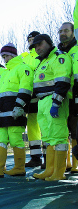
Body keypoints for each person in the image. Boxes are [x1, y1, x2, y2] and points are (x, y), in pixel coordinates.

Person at [0, 43, 33, 179]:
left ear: (14, 54)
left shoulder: (23, 68)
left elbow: (26, 89)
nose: (5, 58)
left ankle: (19, 168)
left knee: (16, 140)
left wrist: (19, 106)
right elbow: (1, 95)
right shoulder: (5, 73)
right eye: (3, 56)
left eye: (7, 55)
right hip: (2, 114)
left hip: (15, 112)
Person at [30, 34, 72, 181]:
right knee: (47, 138)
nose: (37, 48)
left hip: (53, 100)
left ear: (48, 42)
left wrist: (56, 103)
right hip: (42, 103)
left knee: (59, 137)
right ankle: (50, 169)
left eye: (39, 44)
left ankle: (59, 172)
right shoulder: (41, 62)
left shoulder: (59, 57)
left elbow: (63, 81)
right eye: (35, 47)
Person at [21, 31, 44, 168]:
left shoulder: (43, 55)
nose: (31, 41)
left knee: (45, 126)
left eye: (34, 39)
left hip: (42, 95)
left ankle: (49, 158)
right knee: (32, 128)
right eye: (29, 39)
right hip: (29, 97)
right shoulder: (24, 57)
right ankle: (36, 158)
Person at [58, 22, 78, 173]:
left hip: (75, 98)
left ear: (73, 32)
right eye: (60, 31)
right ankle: (66, 164)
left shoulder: (76, 50)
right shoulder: (59, 54)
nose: (62, 33)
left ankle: (76, 166)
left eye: (66, 30)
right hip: (63, 99)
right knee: (63, 132)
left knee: (76, 131)